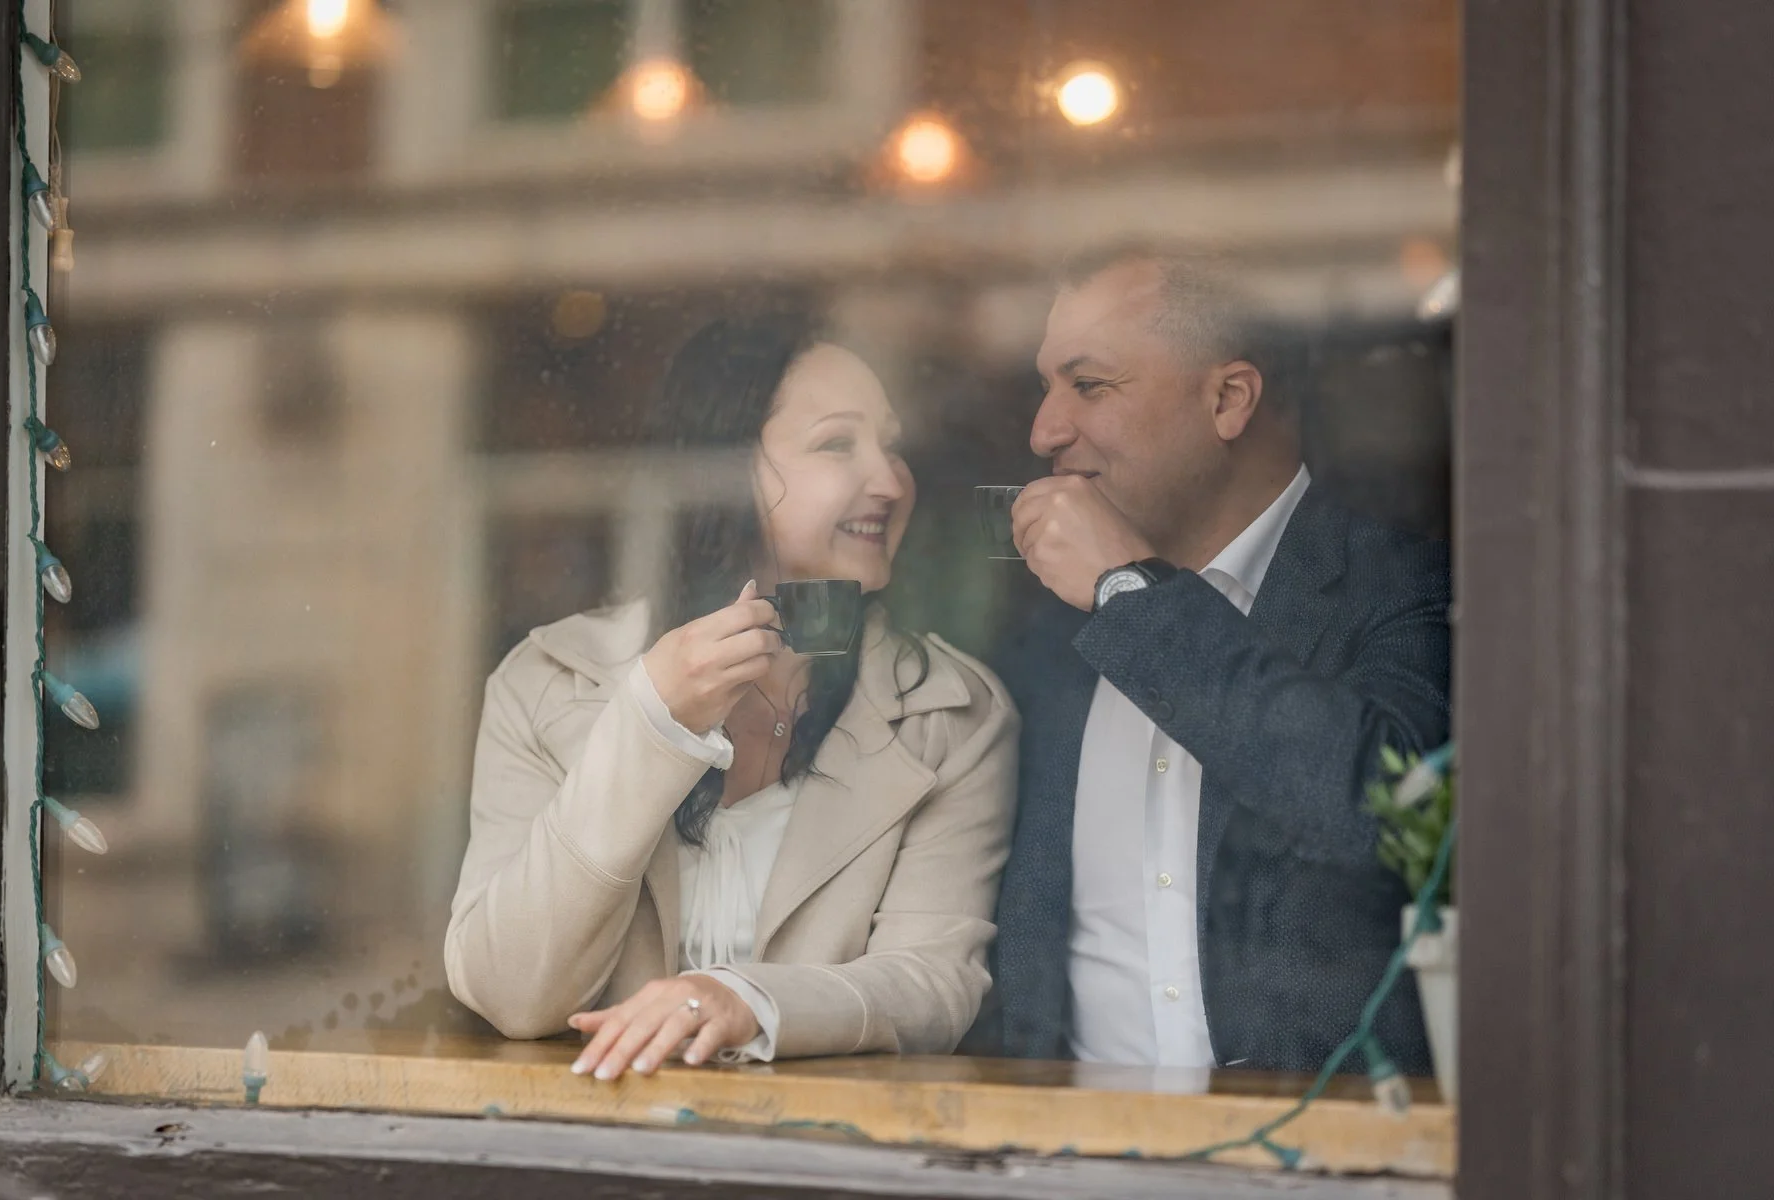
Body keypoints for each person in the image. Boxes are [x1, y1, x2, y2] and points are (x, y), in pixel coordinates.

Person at [446, 315, 1018, 1080]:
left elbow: (934, 985)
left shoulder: (952, 713)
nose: (889, 480)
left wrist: (746, 1000)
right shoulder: (548, 680)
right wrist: (653, 725)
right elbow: (513, 994)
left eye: (891, 445)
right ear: (722, 467)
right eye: (837, 444)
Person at [982, 247, 1450, 1075]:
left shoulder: (1406, 587)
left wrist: (1133, 596)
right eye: (1046, 388)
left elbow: (1387, 813)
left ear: (1229, 398)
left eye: (1088, 386)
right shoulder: (1041, 631)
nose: (1043, 431)